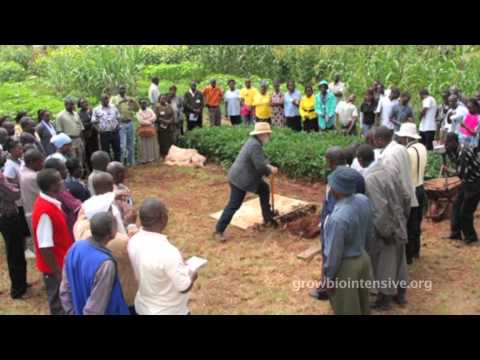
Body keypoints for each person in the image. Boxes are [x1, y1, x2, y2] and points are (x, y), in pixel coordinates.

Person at [357, 145, 410, 310]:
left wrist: (386, 231)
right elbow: (406, 196)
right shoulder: (390, 168)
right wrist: (402, 219)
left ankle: (384, 299)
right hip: (399, 221)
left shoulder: (370, 178)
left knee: (383, 264)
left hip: (386, 229)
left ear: (359, 160)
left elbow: (379, 210)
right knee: (400, 261)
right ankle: (400, 294)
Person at [310, 147, 366, 301]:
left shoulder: (335, 177)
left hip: (337, 224)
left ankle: (326, 289)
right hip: (354, 224)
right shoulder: (358, 175)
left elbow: (332, 204)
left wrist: (325, 223)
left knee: (331, 255)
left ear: (331, 161)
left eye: (326, 160)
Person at [128, 197, 198, 315]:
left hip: (143, 306)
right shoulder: (168, 252)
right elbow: (184, 287)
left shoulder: (133, 241)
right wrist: (192, 275)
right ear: (163, 218)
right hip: (169, 311)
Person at [73, 189, 138, 314]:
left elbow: (85, 207)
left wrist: (111, 194)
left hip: (93, 292)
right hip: (124, 295)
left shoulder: (80, 226)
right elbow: (137, 247)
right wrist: (130, 225)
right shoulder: (118, 241)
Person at [214, 122, 278, 242]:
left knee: (264, 189)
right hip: (240, 179)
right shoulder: (255, 145)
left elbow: (259, 161)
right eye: (268, 134)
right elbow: (259, 166)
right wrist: (270, 170)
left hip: (241, 176)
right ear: (262, 134)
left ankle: (268, 218)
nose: (269, 136)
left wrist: (268, 166)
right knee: (234, 204)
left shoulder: (254, 142)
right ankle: (218, 231)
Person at [323, 167, 374, 315]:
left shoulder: (337, 218)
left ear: (337, 190)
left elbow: (334, 252)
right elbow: (370, 231)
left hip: (346, 267)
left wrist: (329, 277)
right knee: (363, 304)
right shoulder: (363, 200)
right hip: (363, 258)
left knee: (347, 308)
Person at [60, 212, 130, 315]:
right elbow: (95, 307)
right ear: (111, 233)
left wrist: (71, 311)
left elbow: (65, 288)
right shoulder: (105, 264)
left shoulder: (75, 248)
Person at [32, 168, 74, 315]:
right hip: (55, 268)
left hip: (61, 262)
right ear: (52, 186)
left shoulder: (50, 203)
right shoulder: (45, 210)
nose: (62, 181)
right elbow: (45, 247)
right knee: (59, 304)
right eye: (59, 180)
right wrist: (57, 272)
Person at [395, 123, 428, 264]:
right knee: (417, 222)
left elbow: (403, 174)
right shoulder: (422, 147)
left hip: (411, 190)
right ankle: (416, 251)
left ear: (408, 138)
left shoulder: (407, 152)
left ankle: (407, 256)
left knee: (408, 223)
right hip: (421, 188)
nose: (400, 140)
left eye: (402, 137)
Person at [0, 149, 28, 299]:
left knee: (17, 251)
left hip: (7, 216)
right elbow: (14, 193)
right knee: (15, 253)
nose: (3, 156)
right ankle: (18, 289)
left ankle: (21, 283)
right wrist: (18, 187)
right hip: (8, 217)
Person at [445, 133, 480, 244]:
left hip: (475, 183)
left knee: (465, 211)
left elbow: (461, 174)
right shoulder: (458, 150)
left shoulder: (463, 152)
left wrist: (449, 170)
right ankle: (455, 233)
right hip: (467, 182)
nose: (447, 145)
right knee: (456, 205)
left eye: (448, 143)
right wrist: (448, 153)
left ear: (455, 142)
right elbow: (458, 164)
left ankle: (471, 237)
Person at [374, 126, 417, 208]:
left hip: (401, 202)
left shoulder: (387, 156)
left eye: (374, 140)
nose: (374, 143)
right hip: (410, 195)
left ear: (379, 140)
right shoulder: (402, 148)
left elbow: (392, 183)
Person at [43, 158, 82, 237]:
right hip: (71, 226)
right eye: (64, 169)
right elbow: (77, 206)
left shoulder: (52, 189)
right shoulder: (60, 190)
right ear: (56, 173)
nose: (67, 170)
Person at [19, 149, 44, 254]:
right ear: (32, 162)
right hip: (37, 212)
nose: (42, 164)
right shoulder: (33, 177)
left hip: (29, 210)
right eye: (40, 161)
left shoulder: (22, 172)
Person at [112, 85, 139, 167]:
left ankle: (131, 163)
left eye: (124, 88)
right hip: (121, 124)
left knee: (131, 144)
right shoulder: (114, 99)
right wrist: (121, 102)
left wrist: (134, 101)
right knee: (122, 146)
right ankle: (121, 164)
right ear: (118, 90)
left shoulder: (129, 98)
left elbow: (137, 109)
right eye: (121, 88)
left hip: (130, 123)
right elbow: (112, 109)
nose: (123, 90)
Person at [56, 97, 86, 172]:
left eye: (74, 104)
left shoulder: (76, 114)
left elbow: (81, 127)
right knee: (72, 160)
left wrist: (82, 140)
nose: (73, 106)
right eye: (71, 104)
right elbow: (59, 132)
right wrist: (65, 145)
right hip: (69, 142)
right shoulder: (60, 116)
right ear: (66, 105)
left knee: (81, 158)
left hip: (79, 140)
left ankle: (80, 174)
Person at [91, 94, 121, 162]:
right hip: (104, 134)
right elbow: (93, 121)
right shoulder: (96, 109)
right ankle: (109, 167)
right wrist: (98, 130)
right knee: (106, 151)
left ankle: (118, 166)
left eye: (107, 98)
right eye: (104, 99)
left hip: (114, 132)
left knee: (117, 150)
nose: (106, 100)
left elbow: (118, 117)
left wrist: (118, 126)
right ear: (101, 100)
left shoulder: (113, 107)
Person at [78, 98, 99, 172]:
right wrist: (92, 122)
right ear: (79, 105)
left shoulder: (92, 110)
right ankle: (91, 169)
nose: (85, 103)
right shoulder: (80, 114)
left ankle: (98, 167)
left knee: (97, 151)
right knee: (89, 153)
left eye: (85, 102)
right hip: (87, 136)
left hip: (95, 134)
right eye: (82, 103)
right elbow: (83, 125)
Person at [136, 99, 159, 164]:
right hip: (143, 130)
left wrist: (147, 120)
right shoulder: (138, 112)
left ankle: (152, 158)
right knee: (144, 145)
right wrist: (149, 121)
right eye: (142, 103)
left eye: (145, 103)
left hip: (151, 129)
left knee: (151, 144)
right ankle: (144, 159)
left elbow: (154, 116)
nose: (144, 104)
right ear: (140, 104)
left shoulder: (150, 110)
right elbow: (141, 121)